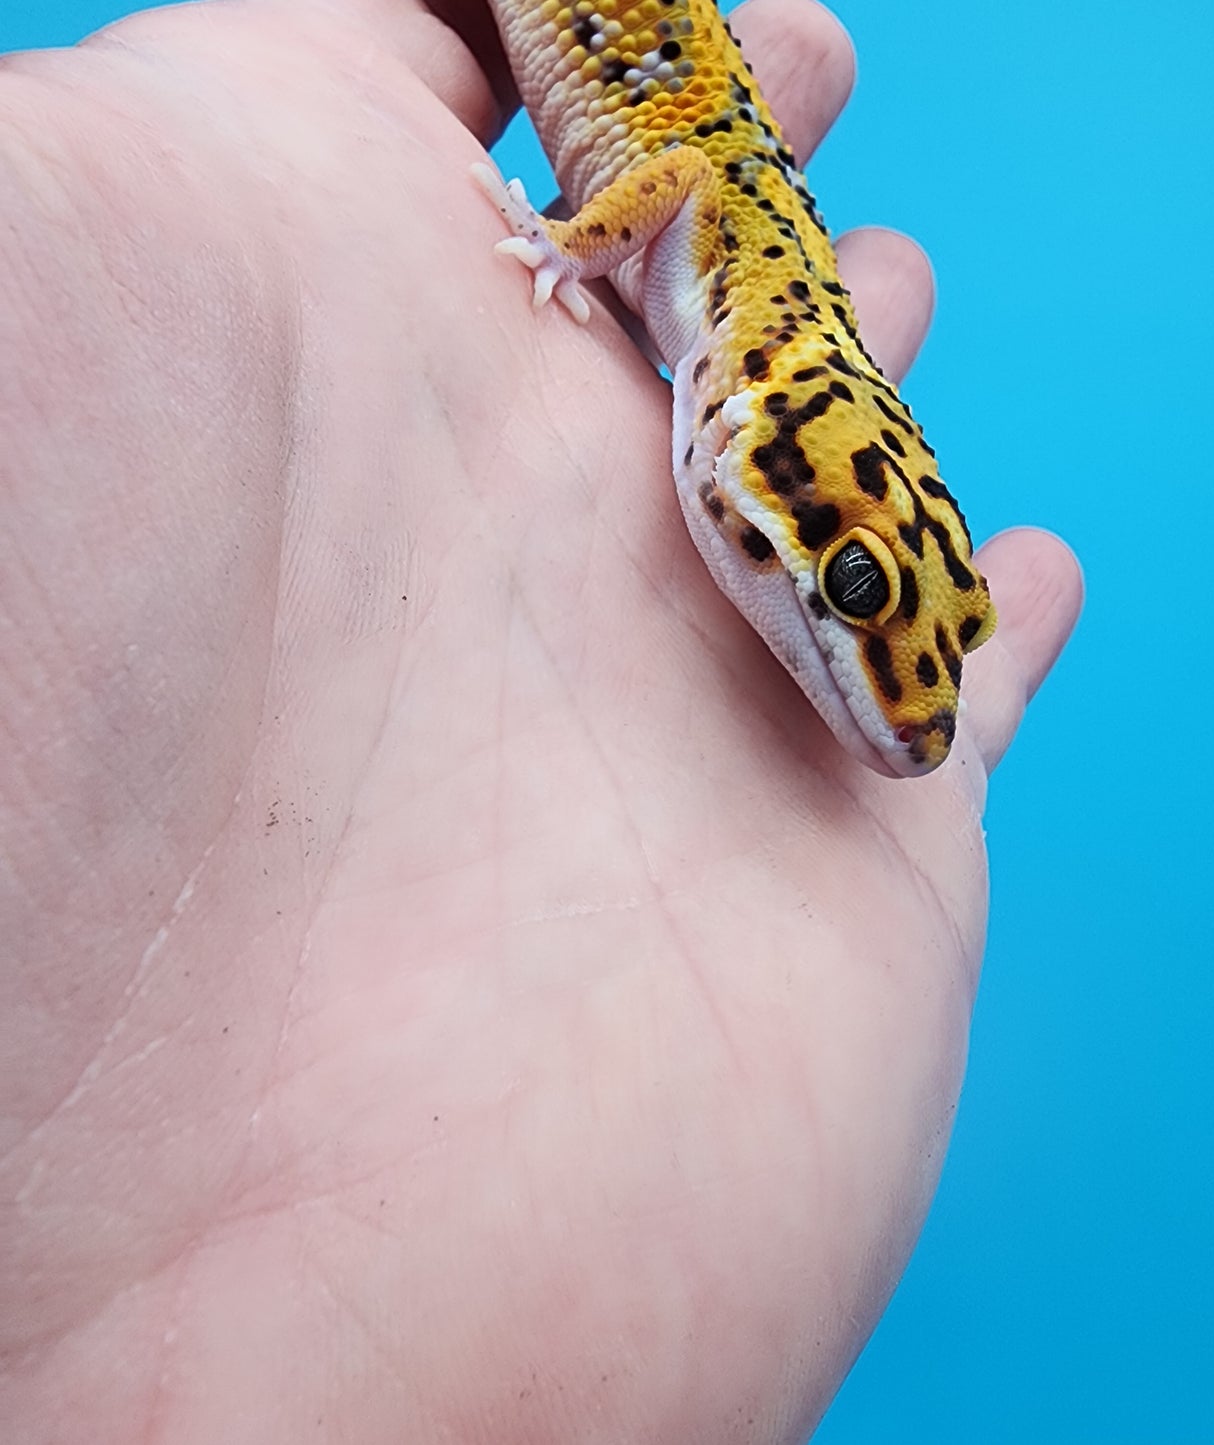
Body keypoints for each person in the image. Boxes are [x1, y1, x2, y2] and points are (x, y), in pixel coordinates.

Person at [0, 0, 1082, 1438]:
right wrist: (570, 241)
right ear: (752, 435)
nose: (897, 720)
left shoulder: (778, 346)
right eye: (862, 586)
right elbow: (680, 183)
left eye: (916, 619)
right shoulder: (749, 320)